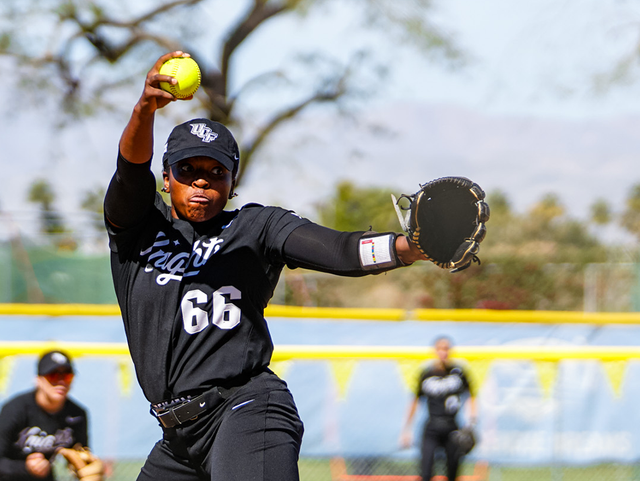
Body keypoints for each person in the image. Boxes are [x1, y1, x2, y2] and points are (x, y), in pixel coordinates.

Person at [105, 51, 437, 481]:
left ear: (232, 182)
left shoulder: (256, 227)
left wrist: (406, 248)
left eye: (216, 172)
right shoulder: (138, 230)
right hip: (177, 441)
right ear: (166, 178)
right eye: (187, 170)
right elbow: (129, 172)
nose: (201, 181)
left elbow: (338, 250)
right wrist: (144, 109)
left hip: (245, 409)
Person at [0, 350, 90, 481]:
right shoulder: (15, 409)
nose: (61, 382)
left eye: (67, 376)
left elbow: (81, 458)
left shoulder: (77, 415)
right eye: (53, 376)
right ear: (38, 380)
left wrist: (88, 469)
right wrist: (26, 467)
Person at [399, 336, 477, 481]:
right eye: (440, 349)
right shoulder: (426, 374)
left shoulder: (459, 372)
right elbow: (415, 401)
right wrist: (406, 430)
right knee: (426, 472)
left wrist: (472, 421)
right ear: (434, 351)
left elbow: (471, 395)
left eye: (446, 349)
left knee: (453, 472)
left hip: (452, 428)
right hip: (432, 427)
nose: (443, 352)